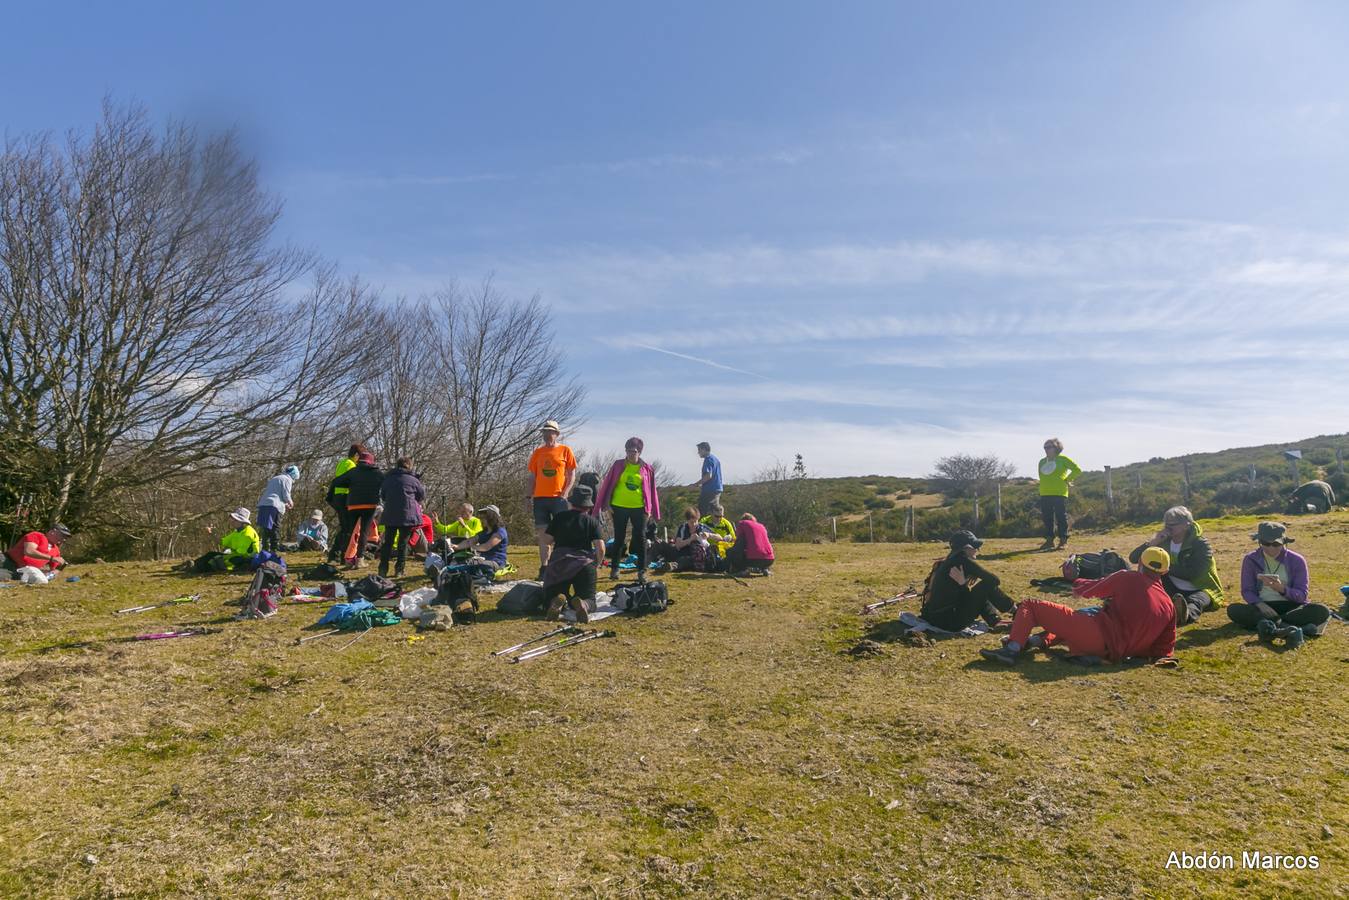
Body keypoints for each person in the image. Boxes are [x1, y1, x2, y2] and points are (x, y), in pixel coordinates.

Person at [981, 546, 1177, 665]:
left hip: (1098, 637)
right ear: (1164, 572)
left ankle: (1011, 650)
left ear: (1141, 563)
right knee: (1080, 618)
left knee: (1030, 605)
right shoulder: (1168, 604)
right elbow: (1165, 646)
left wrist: (1077, 584)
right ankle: (1033, 642)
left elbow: (1095, 588)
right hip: (1116, 652)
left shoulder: (1129, 577)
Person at [1227, 522, 1330, 643]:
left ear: (1284, 542)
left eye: (1276, 544)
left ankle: (1270, 627)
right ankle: (1295, 629)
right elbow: (1247, 590)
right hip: (1262, 606)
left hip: (1291, 607)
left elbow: (1302, 595)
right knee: (1233, 609)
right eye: (1266, 543)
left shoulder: (1297, 560)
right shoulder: (1250, 559)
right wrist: (1260, 604)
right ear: (1259, 542)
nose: (1271, 548)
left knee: (1322, 610)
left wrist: (1281, 589)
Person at [1128, 505, 1225, 625]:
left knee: (1195, 601)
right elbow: (1134, 558)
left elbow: (1193, 574)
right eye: (1166, 525)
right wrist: (1152, 543)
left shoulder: (1200, 544)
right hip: (1172, 587)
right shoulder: (1163, 542)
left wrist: (1165, 568)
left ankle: (1183, 615)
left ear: (1187, 524)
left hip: (1201, 588)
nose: (1168, 528)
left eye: (1172, 525)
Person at [919, 530, 1017, 632]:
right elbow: (994, 580)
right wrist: (963, 584)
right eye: (975, 547)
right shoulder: (963, 561)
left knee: (979, 590)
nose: (977, 550)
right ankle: (1015, 611)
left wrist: (966, 582)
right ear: (966, 548)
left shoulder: (948, 561)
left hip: (935, 618)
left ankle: (995, 621)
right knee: (985, 586)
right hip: (949, 623)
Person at [594, 437, 662, 581]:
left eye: (634, 451)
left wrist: (650, 509)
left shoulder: (647, 468)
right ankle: (615, 569)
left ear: (640, 452)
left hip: (640, 508)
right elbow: (608, 484)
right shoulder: (618, 465)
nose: (631, 454)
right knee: (619, 538)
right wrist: (608, 504)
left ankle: (642, 571)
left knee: (641, 538)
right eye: (628, 451)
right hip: (619, 507)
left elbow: (651, 490)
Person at [542, 485, 605, 623]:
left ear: (571, 502)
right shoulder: (592, 521)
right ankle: (583, 604)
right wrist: (597, 564)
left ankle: (557, 601)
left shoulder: (559, 518)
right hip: (584, 564)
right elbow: (600, 548)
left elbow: (546, 540)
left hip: (560, 563)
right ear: (588, 506)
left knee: (551, 595)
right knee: (590, 599)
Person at [526, 420, 578, 579]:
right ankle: (544, 567)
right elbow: (532, 476)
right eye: (545, 432)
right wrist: (528, 496)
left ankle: (561, 566)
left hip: (558, 498)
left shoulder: (565, 450)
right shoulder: (538, 452)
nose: (548, 435)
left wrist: (565, 493)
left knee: (562, 533)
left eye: (551, 432)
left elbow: (571, 474)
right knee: (543, 534)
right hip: (540, 498)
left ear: (556, 434)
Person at [329, 452, 384, 568]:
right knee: (364, 532)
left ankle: (346, 559)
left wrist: (349, 485)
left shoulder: (353, 472)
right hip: (370, 505)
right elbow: (385, 486)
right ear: (371, 462)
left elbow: (336, 482)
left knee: (350, 531)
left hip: (353, 505)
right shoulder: (378, 473)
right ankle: (360, 559)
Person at [377, 457, 426, 578]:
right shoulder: (414, 480)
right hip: (407, 515)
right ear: (409, 466)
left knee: (387, 543)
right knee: (403, 543)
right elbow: (421, 496)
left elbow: (383, 496)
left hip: (390, 514)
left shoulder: (388, 479)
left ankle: (383, 569)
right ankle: (399, 569)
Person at [1036, 438, 1081, 550]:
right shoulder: (1042, 461)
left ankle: (1063, 540)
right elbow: (1041, 476)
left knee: (1061, 516)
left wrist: (1067, 479)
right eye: (1045, 447)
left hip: (1059, 492)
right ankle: (1049, 540)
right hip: (1045, 492)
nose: (1046, 449)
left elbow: (1077, 470)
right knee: (1047, 517)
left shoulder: (1063, 459)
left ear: (1056, 448)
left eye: (1049, 447)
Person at [191, 508, 260, 573]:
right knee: (211, 554)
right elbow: (222, 542)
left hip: (245, 559)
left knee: (218, 559)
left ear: (242, 522)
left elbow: (242, 553)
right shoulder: (237, 532)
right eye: (233, 519)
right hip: (235, 556)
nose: (232, 522)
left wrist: (224, 557)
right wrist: (211, 534)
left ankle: (196, 567)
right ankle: (194, 565)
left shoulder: (247, 533)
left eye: (235, 520)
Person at [650, 507, 713, 573]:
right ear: (687, 520)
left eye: (696, 521)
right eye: (691, 522)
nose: (694, 524)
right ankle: (646, 562)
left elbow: (719, 537)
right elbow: (678, 545)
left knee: (685, 560)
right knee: (660, 544)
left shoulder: (702, 527)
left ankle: (671, 566)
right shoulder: (683, 527)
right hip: (679, 552)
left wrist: (709, 535)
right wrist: (690, 540)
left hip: (691, 556)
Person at [256, 465, 300, 553]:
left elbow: (275, 493)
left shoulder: (275, 478)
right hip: (274, 506)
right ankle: (274, 549)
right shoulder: (287, 480)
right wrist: (290, 502)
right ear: (294, 475)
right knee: (275, 527)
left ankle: (265, 548)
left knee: (265, 527)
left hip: (264, 504)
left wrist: (285, 502)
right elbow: (286, 494)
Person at [4, 524, 71, 577]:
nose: (64, 539)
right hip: (7, 561)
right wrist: (51, 558)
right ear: (53, 531)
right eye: (62, 535)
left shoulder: (56, 550)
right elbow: (29, 551)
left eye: (65, 537)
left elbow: (54, 568)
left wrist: (56, 571)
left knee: (6, 577)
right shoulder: (37, 536)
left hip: (20, 571)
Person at [691, 441, 723, 516]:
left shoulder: (708, 459)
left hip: (709, 490)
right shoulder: (715, 459)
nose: (698, 452)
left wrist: (696, 484)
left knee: (703, 512)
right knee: (714, 512)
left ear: (704, 449)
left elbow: (708, 476)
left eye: (699, 450)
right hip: (716, 489)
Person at [700, 504, 736, 569]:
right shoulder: (704, 521)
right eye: (716, 516)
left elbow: (734, 539)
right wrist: (712, 536)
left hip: (722, 550)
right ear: (711, 513)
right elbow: (699, 534)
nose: (719, 518)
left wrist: (729, 538)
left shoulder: (726, 524)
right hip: (706, 549)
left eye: (721, 516)